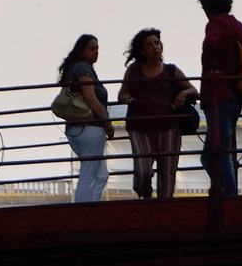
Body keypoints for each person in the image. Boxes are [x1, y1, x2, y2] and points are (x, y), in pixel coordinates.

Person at [118, 28, 196, 200]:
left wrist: (183, 94)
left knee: (167, 172)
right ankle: (145, 195)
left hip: (168, 126)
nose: (155, 47)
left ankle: (164, 207)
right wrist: (127, 98)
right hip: (139, 126)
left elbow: (192, 89)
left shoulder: (171, 70)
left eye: (157, 43)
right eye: (149, 45)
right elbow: (122, 94)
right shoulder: (133, 70)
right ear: (142, 51)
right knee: (143, 170)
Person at [197, 0, 242, 197]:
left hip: (218, 93)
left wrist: (212, 68)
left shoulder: (215, 25)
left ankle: (229, 197)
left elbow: (211, 43)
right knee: (220, 149)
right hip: (236, 93)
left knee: (219, 152)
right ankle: (227, 192)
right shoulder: (238, 25)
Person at [58, 34, 115, 203]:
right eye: (92, 49)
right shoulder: (82, 68)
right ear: (82, 51)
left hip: (80, 128)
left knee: (101, 173)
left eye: (97, 48)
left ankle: (90, 205)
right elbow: (90, 97)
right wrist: (107, 121)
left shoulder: (76, 68)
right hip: (89, 126)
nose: (96, 52)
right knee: (90, 171)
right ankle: (83, 211)